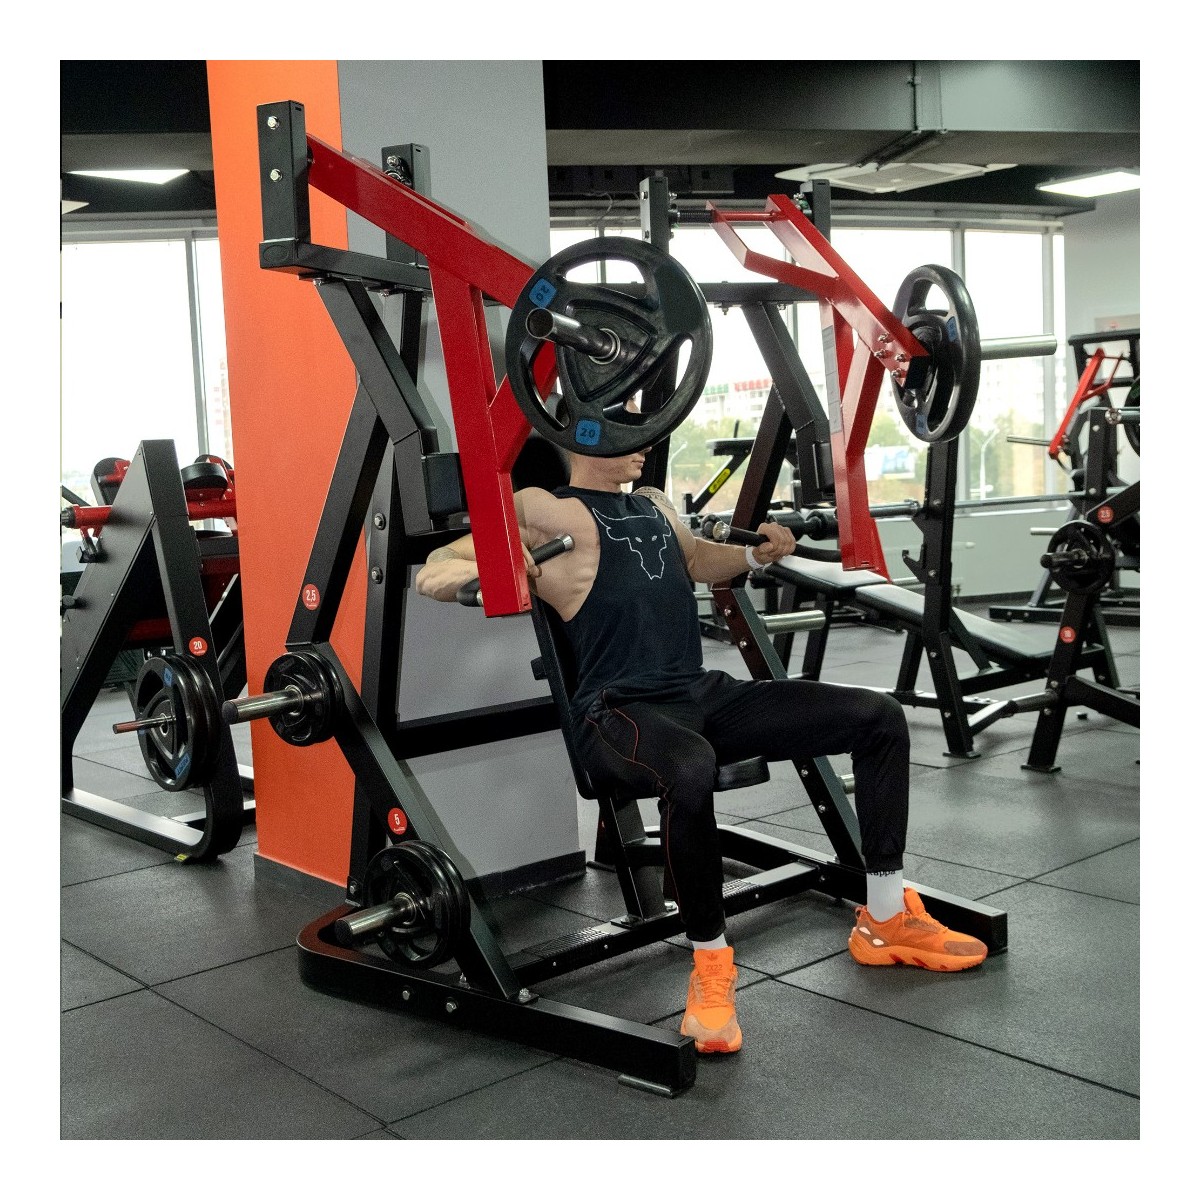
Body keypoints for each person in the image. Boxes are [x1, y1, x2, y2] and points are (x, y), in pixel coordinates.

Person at [415, 444, 987, 1055]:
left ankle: (885, 917)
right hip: (618, 711)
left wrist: (753, 555)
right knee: (689, 767)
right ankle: (711, 964)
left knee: (878, 717)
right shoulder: (541, 508)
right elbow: (435, 569)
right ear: (582, 437)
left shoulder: (653, 504)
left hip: (699, 693)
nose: (642, 442)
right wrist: (491, 575)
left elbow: (694, 559)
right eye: (626, 428)